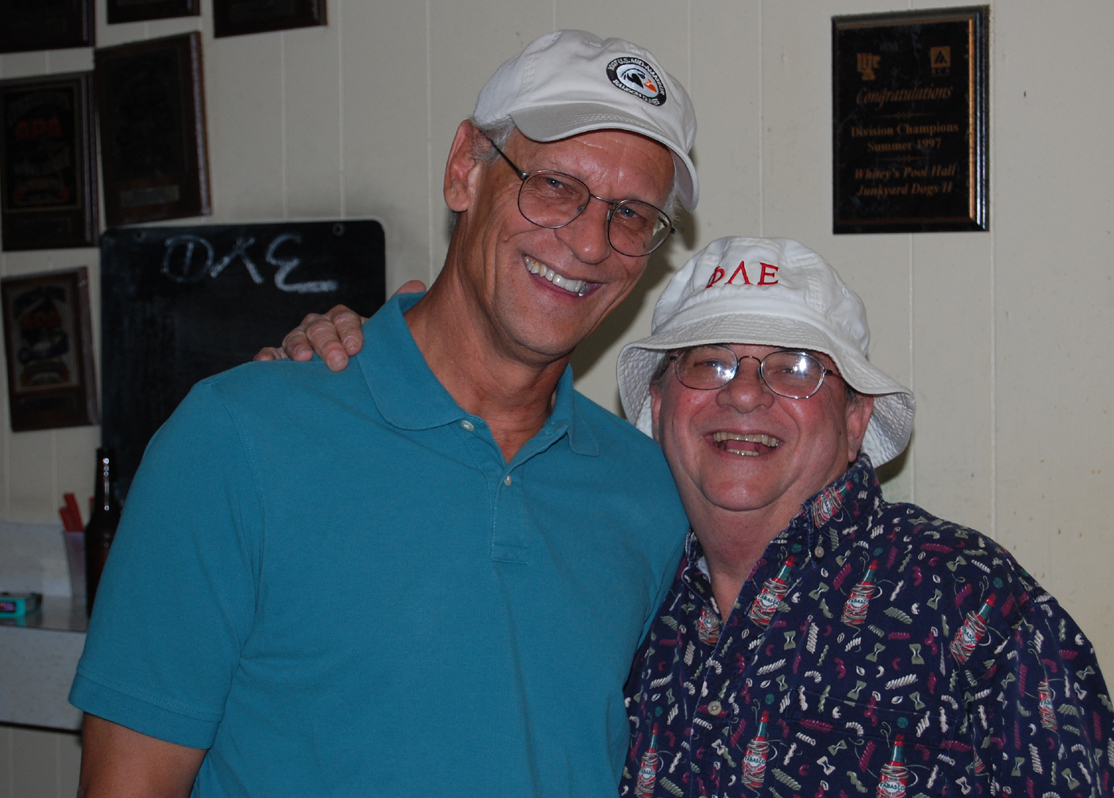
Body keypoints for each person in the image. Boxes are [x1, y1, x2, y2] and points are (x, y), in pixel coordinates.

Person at [70, 30, 698, 796]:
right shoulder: (237, 439)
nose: (591, 243)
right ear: (465, 169)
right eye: (556, 185)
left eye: (631, 214)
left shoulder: (651, 492)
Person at [285, 237, 1114, 797]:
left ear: (856, 418)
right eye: (711, 363)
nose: (746, 394)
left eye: (796, 367)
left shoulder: (977, 609)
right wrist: (343, 367)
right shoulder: (610, 580)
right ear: (658, 407)